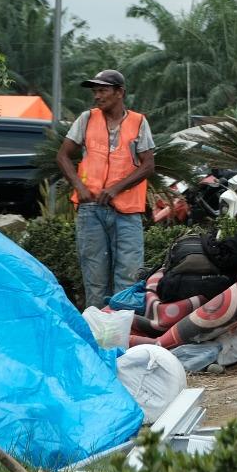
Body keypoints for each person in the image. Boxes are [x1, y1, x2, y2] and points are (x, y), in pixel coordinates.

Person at [56, 69, 155, 307]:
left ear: (120, 92)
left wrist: (115, 189)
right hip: (90, 210)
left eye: (103, 90)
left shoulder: (138, 122)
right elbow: (62, 156)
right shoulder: (87, 119)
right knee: (95, 278)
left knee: (129, 277)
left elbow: (148, 165)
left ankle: (124, 333)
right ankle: (98, 336)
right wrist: (79, 186)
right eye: (95, 91)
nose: (97, 96)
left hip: (127, 212)